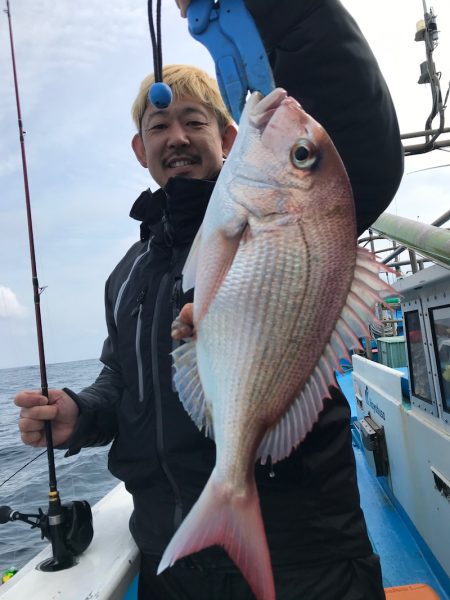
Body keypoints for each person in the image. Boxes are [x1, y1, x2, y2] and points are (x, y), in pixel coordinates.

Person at [15, 1, 404, 598]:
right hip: (175, 565)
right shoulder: (127, 277)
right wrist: (80, 413)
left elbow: (351, 120)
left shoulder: (291, 220)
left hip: (305, 559)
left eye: (195, 122)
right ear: (139, 151)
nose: (176, 138)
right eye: (159, 128)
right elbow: (121, 380)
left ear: (229, 137)